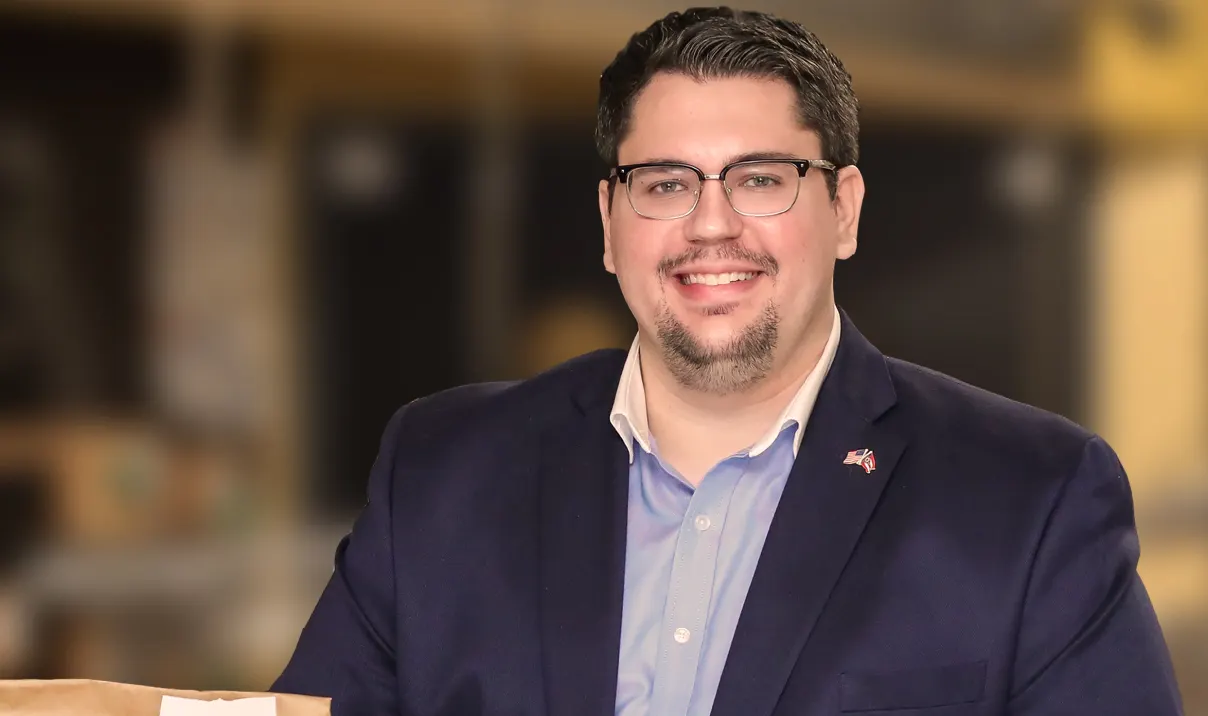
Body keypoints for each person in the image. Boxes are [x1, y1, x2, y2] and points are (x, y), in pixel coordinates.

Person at [272, 7, 1184, 715]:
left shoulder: (1033, 498)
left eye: (760, 179)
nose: (712, 226)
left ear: (846, 210)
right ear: (608, 225)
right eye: (665, 183)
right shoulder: (440, 471)